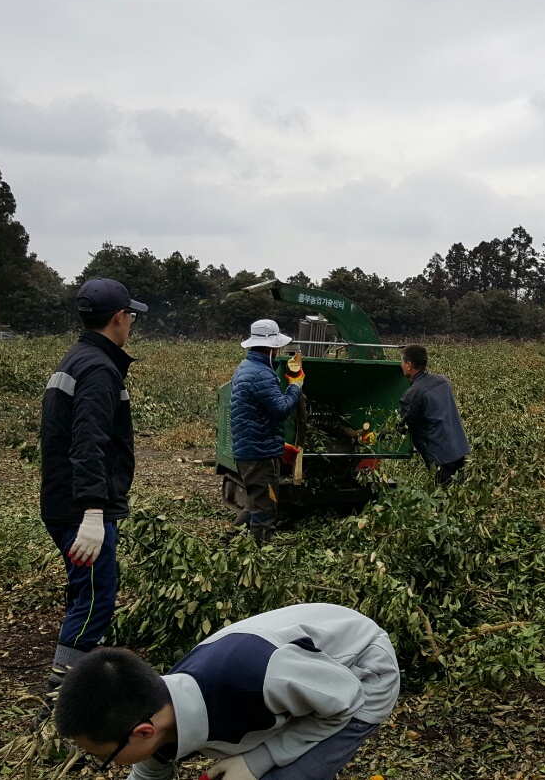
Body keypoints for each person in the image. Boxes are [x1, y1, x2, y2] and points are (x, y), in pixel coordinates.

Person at [54, 603, 400, 780]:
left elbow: (346, 699)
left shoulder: (255, 676)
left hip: (361, 674)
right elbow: (152, 765)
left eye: (104, 759)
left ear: (143, 732)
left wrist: (257, 761)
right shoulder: (157, 704)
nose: (105, 764)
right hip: (307, 684)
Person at [39, 278, 147, 699]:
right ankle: (63, 692)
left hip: (63, 498)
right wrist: (93, 512)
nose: (131, 323)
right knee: (96, 598)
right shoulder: (99, 369)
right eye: (130, 316)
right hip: (78, 507)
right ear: (119, 317)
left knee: (85, 589)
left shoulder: (77, 358)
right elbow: (89, 444)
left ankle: (85, 672)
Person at [229, 319, 304, 543]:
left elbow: (256, 416)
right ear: (272, 347)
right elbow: (280, 410)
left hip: (250, 449)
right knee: (266, 507)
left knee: (256, 502)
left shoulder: (245, 367)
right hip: (259, 456)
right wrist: (295, 385)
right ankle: (261, 549)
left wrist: (278, 445)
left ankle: (227, 541)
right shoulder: (261, 373)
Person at [398, 344, 470, 486]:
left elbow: (401, 425)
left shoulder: (413, 394)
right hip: (460, 449)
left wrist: (379, 434)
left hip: (441, 456)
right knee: (459, 491)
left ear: (409, 365)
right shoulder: (442, 381)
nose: (401, 366)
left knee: (443, 494)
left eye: (402, 362)